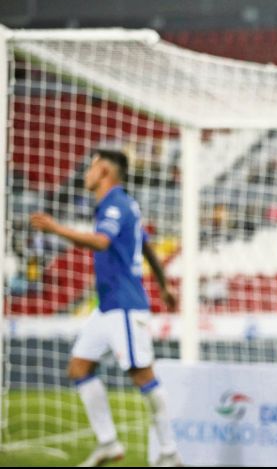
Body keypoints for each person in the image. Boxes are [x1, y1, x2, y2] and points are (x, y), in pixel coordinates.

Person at [30, 150, 181, 467]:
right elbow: (147, 246)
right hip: (108, 307)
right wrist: (164, 284)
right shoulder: (121, 204)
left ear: (103, 171)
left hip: (124, 307)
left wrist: (56, 229)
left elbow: (101, 242)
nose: (85, 173)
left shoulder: (116, 203)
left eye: (90, 167)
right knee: (79, 368)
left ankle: (169, 452)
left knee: (143, 376)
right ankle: (109, 443)